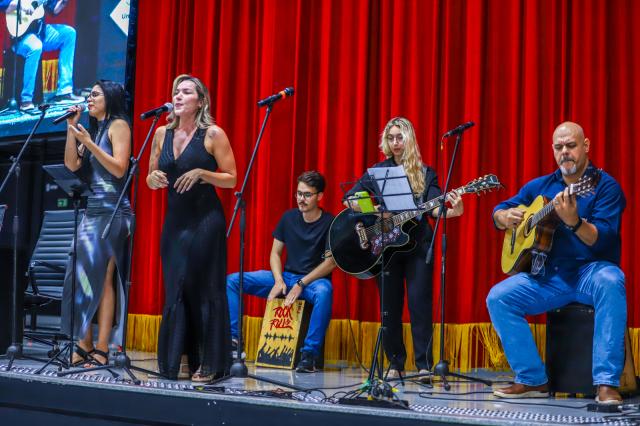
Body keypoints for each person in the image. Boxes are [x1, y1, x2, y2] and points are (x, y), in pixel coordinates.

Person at [487, 122, 626, 404]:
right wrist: (502, 217)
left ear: (586, 146)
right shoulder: (540, 186)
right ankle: (532, 378)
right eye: (559, 147)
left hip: (591, 272)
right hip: (549, 277)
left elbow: (602, 239)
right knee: (498, 298)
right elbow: (500, 210)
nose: (565, 152)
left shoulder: (603, 186)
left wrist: (574, 222)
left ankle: (606, 383)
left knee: (612, 281)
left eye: (571, 145)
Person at [344, 117, 463, 378]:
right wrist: (374, 210)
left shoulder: (426, 173)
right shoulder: (378, 171)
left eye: (400, 137)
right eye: (391, 138)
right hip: (387, 247)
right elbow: (349, 198)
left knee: (420, 305)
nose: (395, 142)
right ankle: (395, 364)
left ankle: (423, 365)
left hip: (418, 246)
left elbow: (434, 208)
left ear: (409, 139)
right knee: (389, 307)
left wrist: (452, 210)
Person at [147, 74, 237, 381]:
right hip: (175, 223)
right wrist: (152, 179)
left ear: (201, 101)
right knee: (176, 288)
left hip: (206, 220)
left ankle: (210, 364)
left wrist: (202, 173)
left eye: (186, 92)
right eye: (176, 91)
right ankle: (178, 361)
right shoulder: (161, 133)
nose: (178, 96)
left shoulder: (212, 134)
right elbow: (150, 174)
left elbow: (232, 178)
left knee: (205, 288)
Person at [226, 171, 335, 373]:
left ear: (319, 196)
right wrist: (278, 280)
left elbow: (330, 263)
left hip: (312, 281)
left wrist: (301, 284)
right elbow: (275, 253)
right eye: (299, 194)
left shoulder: (330, 222)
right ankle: (235, 343)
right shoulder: (288, 217)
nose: (301, 199)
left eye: (307, 195)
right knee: (232, 280)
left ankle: (309, 355)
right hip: (286, 276)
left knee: (324, 292)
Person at [61, 80, 132, 367]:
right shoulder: (95, 129)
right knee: (78, 275)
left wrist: (89, 143)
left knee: (103, 278)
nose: (89, 99)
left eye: (95, 95)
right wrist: (71, 130)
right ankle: (84, 342)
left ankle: (101, 347)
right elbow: (71, 165)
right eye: (89, 95)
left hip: (114, 211)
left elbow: (120, 168)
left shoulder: (118, 125)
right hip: (92, 211)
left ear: (110, 98)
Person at [0, 0, 83, 110]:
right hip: (20, 37)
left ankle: (64, 92)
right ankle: (26, 100)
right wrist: (21, 6)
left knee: (69, 34)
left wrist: (63, 2)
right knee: (36, 46)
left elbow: (53, 10)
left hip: (40, 32)